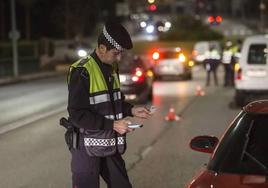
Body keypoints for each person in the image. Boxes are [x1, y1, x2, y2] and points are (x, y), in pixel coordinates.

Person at [66, 21, 152, 188]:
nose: (119, 58)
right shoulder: (82, 71)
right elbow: (77, 115)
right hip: (86, 147)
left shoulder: (112, 68)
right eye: (116, 53)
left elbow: (114, 101)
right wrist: (112, 124)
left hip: (108, 143)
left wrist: (132, 109)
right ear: (102, 48)